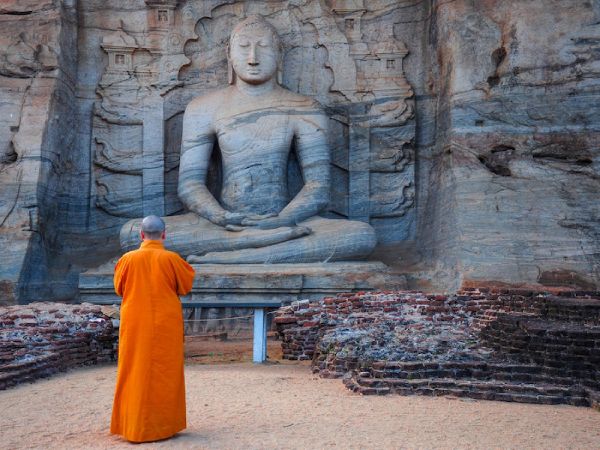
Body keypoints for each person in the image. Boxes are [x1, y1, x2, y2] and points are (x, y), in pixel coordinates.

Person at [119, 14, 376, 264]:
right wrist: (219, 215)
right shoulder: (203, 108)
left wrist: (281, 220)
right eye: (243, 48)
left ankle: (236, 255)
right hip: (222, 226)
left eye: (263, 48)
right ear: (229, 56)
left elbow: (318, 189)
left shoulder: (304, 108)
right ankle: (262, 246)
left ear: (280, 56)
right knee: (132, 234)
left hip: (287, 221)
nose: (253, 58)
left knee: (361, 236)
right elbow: (189, 186)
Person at [110, 215, 195, 443]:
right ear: (164, 235)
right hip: (165, 323)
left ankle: (134, 426)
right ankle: (164, 427)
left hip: (135, 321)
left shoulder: (127, 259)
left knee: (134, 369)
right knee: (165, 372)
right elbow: (186, 286)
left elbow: (120, 289)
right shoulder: (172, 259)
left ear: (141, 235)